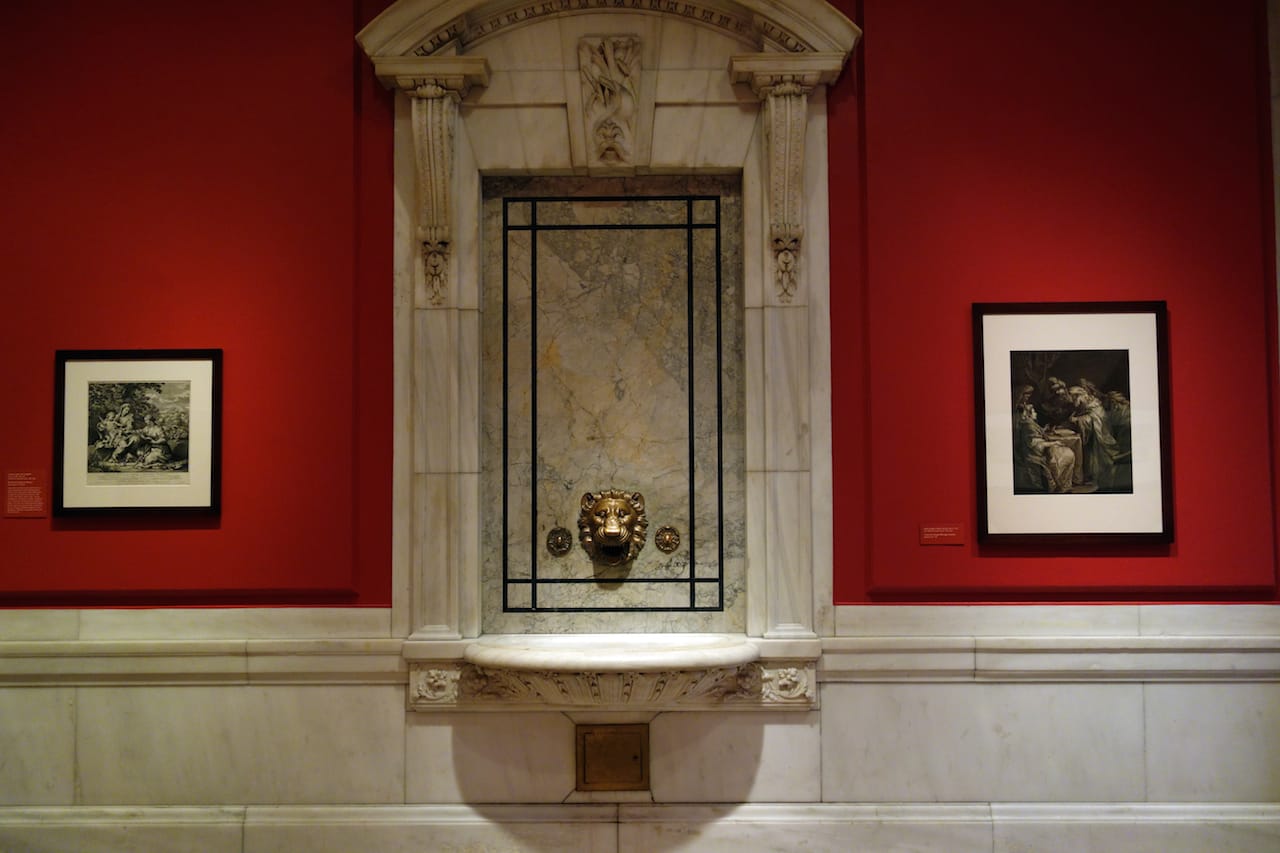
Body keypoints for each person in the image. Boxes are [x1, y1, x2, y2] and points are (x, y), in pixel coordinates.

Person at [1013, 385, 1076, 493]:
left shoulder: (1030, 422)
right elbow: (1035, 443)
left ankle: (1063, 484)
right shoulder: (1027, 424)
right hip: (1035, 454)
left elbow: (1036, 434)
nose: (1036, 413)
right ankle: (1061, 484)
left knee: (1067, 452)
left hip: (1041, 450)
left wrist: (1043, 430)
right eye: (1034, 412)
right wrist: (1053, 443)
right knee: (1067, 455)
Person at [1069, 385, 1121, 490]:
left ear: (1079, 396)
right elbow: (1085, 415)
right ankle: (1091, 477)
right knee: (1089, 455)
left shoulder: (1093, 405)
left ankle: (1100, 477)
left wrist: (1077, 420)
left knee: (1099, 456)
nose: (1073, 400)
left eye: (1074, 397)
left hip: (1100, 434)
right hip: (1092, 437)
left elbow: (1094, 418)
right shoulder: (1084, 403)